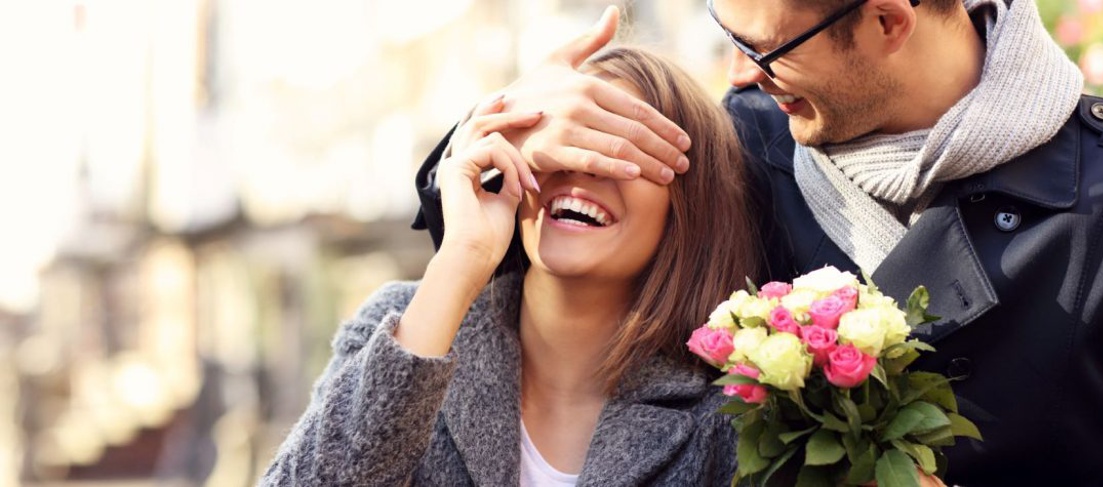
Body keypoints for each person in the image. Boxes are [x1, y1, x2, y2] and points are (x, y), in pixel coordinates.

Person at [413, 1, 1103, 486]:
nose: (741, 74)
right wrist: (518, 118)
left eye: (766, 48)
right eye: (730, 33)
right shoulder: (744, 147)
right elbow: (515, 231)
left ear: (888, 19)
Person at [259, 47, 760, 486]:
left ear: (692, 204)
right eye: (562, 138)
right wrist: (461, 258)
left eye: (618, 146)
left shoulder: (727, 410)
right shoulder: (407, 324)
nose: (580, 164)